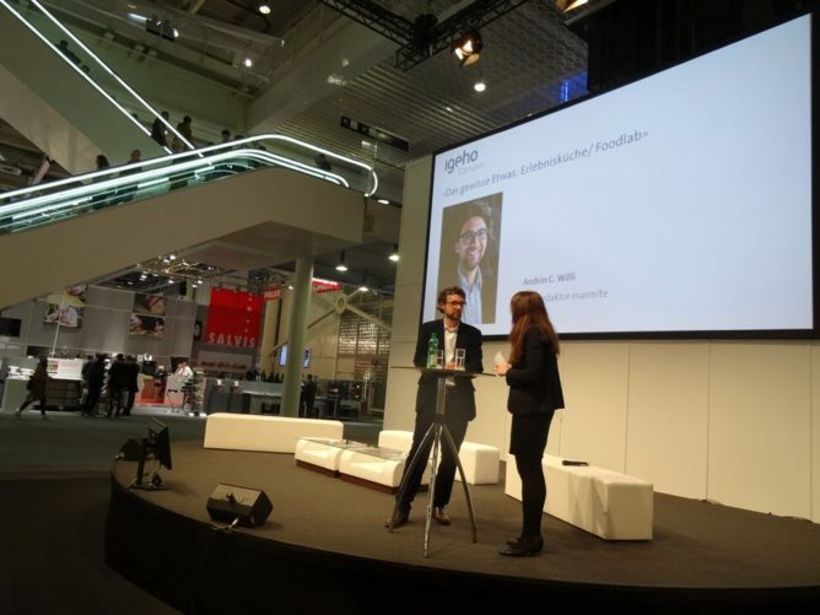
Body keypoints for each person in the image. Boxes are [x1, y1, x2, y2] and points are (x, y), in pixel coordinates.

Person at [387, 286, 483, 529]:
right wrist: (439, 366)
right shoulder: (428, 329)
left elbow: (477, 365)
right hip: (431, 398)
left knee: (450, 457)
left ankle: (439, 505)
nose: (458, 307)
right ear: (442, 305)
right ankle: (402, 507)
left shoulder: (473, 334)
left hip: (459, 401)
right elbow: (418, 360)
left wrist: (458, 368)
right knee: (418, 454)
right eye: (453, 303)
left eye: (461, 303)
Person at [494, 291, 564, 557]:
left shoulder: (533, 333)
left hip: (533, 409)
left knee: (530, 470)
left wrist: (508, 371)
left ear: (521, 310)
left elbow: (533, 376)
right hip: (534, 408)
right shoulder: (540, 332)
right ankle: (529, 535)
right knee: (529, 469)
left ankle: (532, 537)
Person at [453, 210, 496, 325]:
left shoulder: (494, 288)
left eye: (481, 234)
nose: (475, 243)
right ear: (457, 247)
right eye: (468, 236)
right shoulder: (441, 286)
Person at [106, 353, 128, 418]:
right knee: (120, 398)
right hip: (121, 384)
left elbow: (110, 372)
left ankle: (110, 412)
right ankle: (117, 413)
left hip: (113, 382)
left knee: (111, 397)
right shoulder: (126, 365)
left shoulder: (115, 364)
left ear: (117, 357)